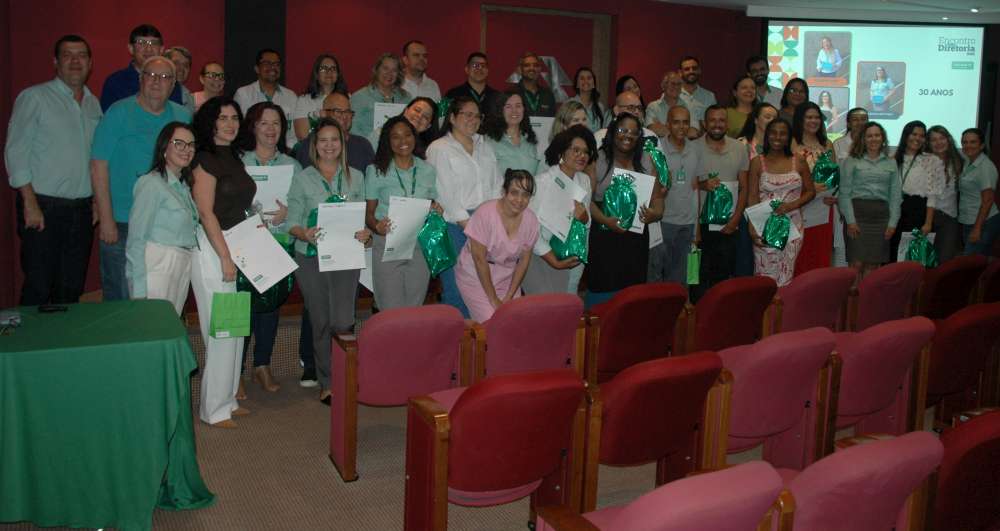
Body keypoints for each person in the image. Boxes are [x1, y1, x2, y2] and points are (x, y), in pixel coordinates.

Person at [6, 34, 101, 306]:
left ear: (90, 63)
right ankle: (29, 347)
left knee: (71, 288)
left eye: (81, 55)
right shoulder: (34, 97)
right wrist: (29, 202)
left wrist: (95, 199)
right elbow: (16, 150)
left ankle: (62, 346)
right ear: (55, 62)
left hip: (81, 210)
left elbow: (94, 158)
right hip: (43, 207)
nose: (75, 61)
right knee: (39, 285)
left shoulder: (93, 105)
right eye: (68, 55)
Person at [91, 56, 192, 302]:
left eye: (165, 77)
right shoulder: (118, 112)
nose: (157, 82)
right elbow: (98, 164)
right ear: (140, 79)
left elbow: (189, 165)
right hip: (121, 219)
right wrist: (106, 218)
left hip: (164, 226)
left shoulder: (183, 116)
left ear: (174, 85)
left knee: (157, 298)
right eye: (151, 75)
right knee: (122, 294)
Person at [287, 118, 371, 405]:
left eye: (334, 139)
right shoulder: (303, 178)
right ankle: (328, 382)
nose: (329, 145)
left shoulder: (356, 177)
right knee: (321, 320)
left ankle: (346, 375)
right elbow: (292, 222)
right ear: (314, 145)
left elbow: (363, 219)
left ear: (342, 142)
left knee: (343, 320)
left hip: (345, 254)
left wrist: (366, 232)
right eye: (323, 140)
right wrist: (304, 233)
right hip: (310, 256)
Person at [189, 97, 255, 428]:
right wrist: (224, 256)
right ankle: (212, 409)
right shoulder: (204, 159)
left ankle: (228, 400)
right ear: (209, 122)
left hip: (236, 246)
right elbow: (205, 212)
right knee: (219, 330)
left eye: (234, 117)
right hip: (213, 249)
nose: (229, 123)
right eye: (222, 118)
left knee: (234, 328)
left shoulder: (234, 157)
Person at [237, 102, 301, 393]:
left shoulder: (291, 164)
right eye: (264, 123)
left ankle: (262, 364)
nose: (271, 129)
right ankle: (235, 370)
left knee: (270, 306)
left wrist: (290, 212)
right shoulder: (239, 160)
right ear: (253, 126)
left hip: (279, 242)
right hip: (246, 242)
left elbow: (303, 203)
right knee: (243, 307)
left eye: (276, 123)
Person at [426, 96, 501, 317]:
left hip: (486, 220)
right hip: (454, 225)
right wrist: (472, 227)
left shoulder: (485, 145)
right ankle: (458, 344)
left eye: (477, 115)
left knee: (484, 284)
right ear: (452, 117)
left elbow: (497, 184)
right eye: (466, 114)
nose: (473, 119)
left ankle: (479, 342)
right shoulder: (439, 148)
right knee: (456, 287)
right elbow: (445, 193)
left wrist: (493, 221)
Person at [587, 112, 666, 306]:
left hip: (636, 238)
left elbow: (657, 199)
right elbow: (585, 200)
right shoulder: (597, 159)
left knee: (633, 292)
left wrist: (655, 213)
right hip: (603, 234)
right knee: (603, 289)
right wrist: (605, 221)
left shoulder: (647, 159)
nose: (627, 135)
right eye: (622, 130)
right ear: (613, 132)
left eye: (634, 132)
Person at [365, 115, 441, 310]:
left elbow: (431, 202)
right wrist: (377, 226)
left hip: (419, 243)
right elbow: (369, 214)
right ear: (387, 141)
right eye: (395, 137)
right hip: (388, 242)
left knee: (414, 307)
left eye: (407, 135)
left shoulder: (427, 170)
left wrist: (436, 209)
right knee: (390, 309)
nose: (403, 141)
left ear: (414, 137)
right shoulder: (375, 170)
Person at [126, 122, 198, 315]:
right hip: (159, 263)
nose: (186, 150)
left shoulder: (182, 187)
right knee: (151, 328)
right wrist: (139, 290)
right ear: (164, 147)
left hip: (182, 263)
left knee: (168, 328)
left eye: (191, 145)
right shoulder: (151, 183)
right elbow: (136, 239)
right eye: (179, 143)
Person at [456, 169, 540, 322]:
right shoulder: (485, 213)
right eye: (514, 192)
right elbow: (479, 259)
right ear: (504, 191)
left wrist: (509, 295)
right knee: (493, 322)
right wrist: (494, 299)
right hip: (476, 277)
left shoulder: (531, 220)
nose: (520, 200)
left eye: (526, 195)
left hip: (507, 277)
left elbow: (524, 262)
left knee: (516, 321)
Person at [522, 125, 595, 295]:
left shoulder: (584, 180)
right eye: (576, 150)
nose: (581, 155)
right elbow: (530, 229)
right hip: (540, 256)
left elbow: (586, 221)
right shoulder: (541, 182)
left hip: (572, 255)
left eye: (586, 151)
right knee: (545, 311)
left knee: (568, 307)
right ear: (562, 152)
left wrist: (584, 218)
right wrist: (553, 261)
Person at [748, 118, 815, 287]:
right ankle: (765, 311)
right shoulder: (757, 162)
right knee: (765, 273)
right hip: (764, 225)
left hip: (792, 225)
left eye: (783, 133)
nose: (777, 137)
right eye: (773, 132)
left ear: (789, 137)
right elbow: (752, 196)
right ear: (767, 135)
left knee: (786, 272)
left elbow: (811, 191)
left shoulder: (798, 161)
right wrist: (752, 227)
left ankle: (782, 312)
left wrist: (792, 205)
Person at [694, 105, 750, 297]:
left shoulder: (739, 148)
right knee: (695, 276)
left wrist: (736, 219)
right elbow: (684, 187)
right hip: (698, 225)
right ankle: (694, 317)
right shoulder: (693, 147)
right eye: (713, 120)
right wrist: (702, 185)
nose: (717, 125)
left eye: (721, 120)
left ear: (727, 124)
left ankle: (717, 318)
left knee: (722, 277)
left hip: (728, 225)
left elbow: (744, 187)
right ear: (704, 123)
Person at [838, 121, 901, 276]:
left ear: (883, 138)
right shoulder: (851, 161)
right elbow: (844, 194)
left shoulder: (891, 162)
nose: (874, 139)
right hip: (857, 216)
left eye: (877, 135)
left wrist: (893, 223)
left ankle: (868, 299)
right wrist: (851, 221)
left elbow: (895, 196)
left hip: (881, 219)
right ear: (863, 139)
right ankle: (852, 300)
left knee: (874, 266)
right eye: (869, 136)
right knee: (856, 264)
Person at [649, 106, 699, 286]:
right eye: (676, 122)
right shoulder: (656, 149)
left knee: (680, 277)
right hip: (661, 222)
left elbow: (695, 189)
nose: (681, 127)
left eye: (685, 122)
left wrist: (696, 227)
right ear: (668, 124)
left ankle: (676, 313)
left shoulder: (695, 149)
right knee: (655, 273)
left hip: (686, 224)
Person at [790, 101, 836, 276]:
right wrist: (809, 188)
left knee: (820, 254)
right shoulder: (792, 143)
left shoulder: (827, 144)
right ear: (800, 120)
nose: (813, 121)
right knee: (800, 253)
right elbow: (784, 175)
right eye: (809, 117)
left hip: (823, 207)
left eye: (817, 117)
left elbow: (834, 174)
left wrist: (834, 194)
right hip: (799, 205)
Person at [889, 121, 945, 262]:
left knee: (916, 259)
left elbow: (933, 196)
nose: (917, 138)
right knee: (894, 256)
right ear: (906, 135)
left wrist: (927, 223)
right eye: (914, 134)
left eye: (921, 135)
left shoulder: (931, 160)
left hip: (918, 212)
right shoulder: (893, 160)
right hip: (895, 212)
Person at [99, 24, 183, 111]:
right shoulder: (115, 82)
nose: (148, 49)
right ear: (131, 48)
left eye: (153, 43)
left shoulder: (171, 82)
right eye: (141, 43)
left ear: (161, 49)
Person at [294, 91, 375, 173]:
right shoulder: (310, 145)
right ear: (323, 114)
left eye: (347, 112)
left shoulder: (363, 145)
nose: (344, 116)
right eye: (337, 111)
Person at [234, 49, 298, 150]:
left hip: (284, 153)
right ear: (257, 68)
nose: (272, 67)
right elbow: (239, 130)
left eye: (276, 64)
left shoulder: (291, 96)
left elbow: (293, 133)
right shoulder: (243, 94)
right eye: (267, 63)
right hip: (251, 153)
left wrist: (287, 151)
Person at [350, 53, 412, 142]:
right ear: (377, 70)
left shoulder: (406, 98)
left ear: (398, 74)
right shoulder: (359, 97)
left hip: (399, 150)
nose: (389, 74)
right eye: (385, 68)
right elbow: (353, 130)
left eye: (394, 70)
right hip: (369, 150)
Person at [958, 128, 999, 256]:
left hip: (984, 222)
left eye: (973, 142)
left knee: (969, 262)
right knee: (976, 264)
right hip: (969, 220)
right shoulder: (968, 162)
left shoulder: (985, 166)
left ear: (981, 145)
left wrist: (977, 228)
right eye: (965, 142)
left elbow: (988, 200)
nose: (968, 145)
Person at [924, 125, 963, 262]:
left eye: (942, 138)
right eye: (933, 140)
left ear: (948, 139)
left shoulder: (959, 161)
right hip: (927, 217)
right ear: (928, 143)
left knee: (945, 259)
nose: (938, 142)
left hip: (949, 217)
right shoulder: (923, 162)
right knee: (925, 259)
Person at [292, 53, 348, 143]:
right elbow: (302, 135)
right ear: (316, 74)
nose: (329, 72)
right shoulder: (304, 100)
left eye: (333, 69)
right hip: (311, 149)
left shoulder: (347, 98)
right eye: (323, 69)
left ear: (338, 74)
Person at [483, 91, 540, 176]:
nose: (514, 111)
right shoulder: (489, 141)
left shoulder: (530, 140)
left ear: (524, 109)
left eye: (518, 106)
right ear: (500, 110)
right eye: (508, 107)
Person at [368, 96, 438, 156]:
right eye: (417, 110)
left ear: (428, 126)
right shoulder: (380, 134)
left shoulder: (430, 149)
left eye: (425, 117)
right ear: (406, 110)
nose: (419, 116)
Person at [593, 91, 657, 147]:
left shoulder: (650, 136)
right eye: (631, 107)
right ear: (616, 110)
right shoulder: (601, 136)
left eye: (639, 108)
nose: (637, 111)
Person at [678, 56, 717, 138]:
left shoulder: (709, 96)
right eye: (687, 69)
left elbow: (714, 123)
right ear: (680, 73)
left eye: (694, 68)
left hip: (705, 144)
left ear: (699, 71)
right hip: (679, 143)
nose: (691, 71)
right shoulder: (673, 96)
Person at [514, 52, 556, 117]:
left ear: (539, 69)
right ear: (520, 70)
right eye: (527, 65)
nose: (532, 68)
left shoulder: (548, 95)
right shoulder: (511, 93)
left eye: (536, 65)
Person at [646, 71, 685, 139]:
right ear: (663, 86)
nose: (676, 86)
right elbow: (652, 129)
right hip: (661, 148)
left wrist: (664, 128)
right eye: (672, 83)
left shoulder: (687, 106)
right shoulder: (653, 107)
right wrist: (680, 131)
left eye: (679, 84)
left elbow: (693, 132)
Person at [165, 46, 195, 113]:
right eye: (176, 63)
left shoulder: (188, 96)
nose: (181, 68)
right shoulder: (155, 91)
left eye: (186, 65)